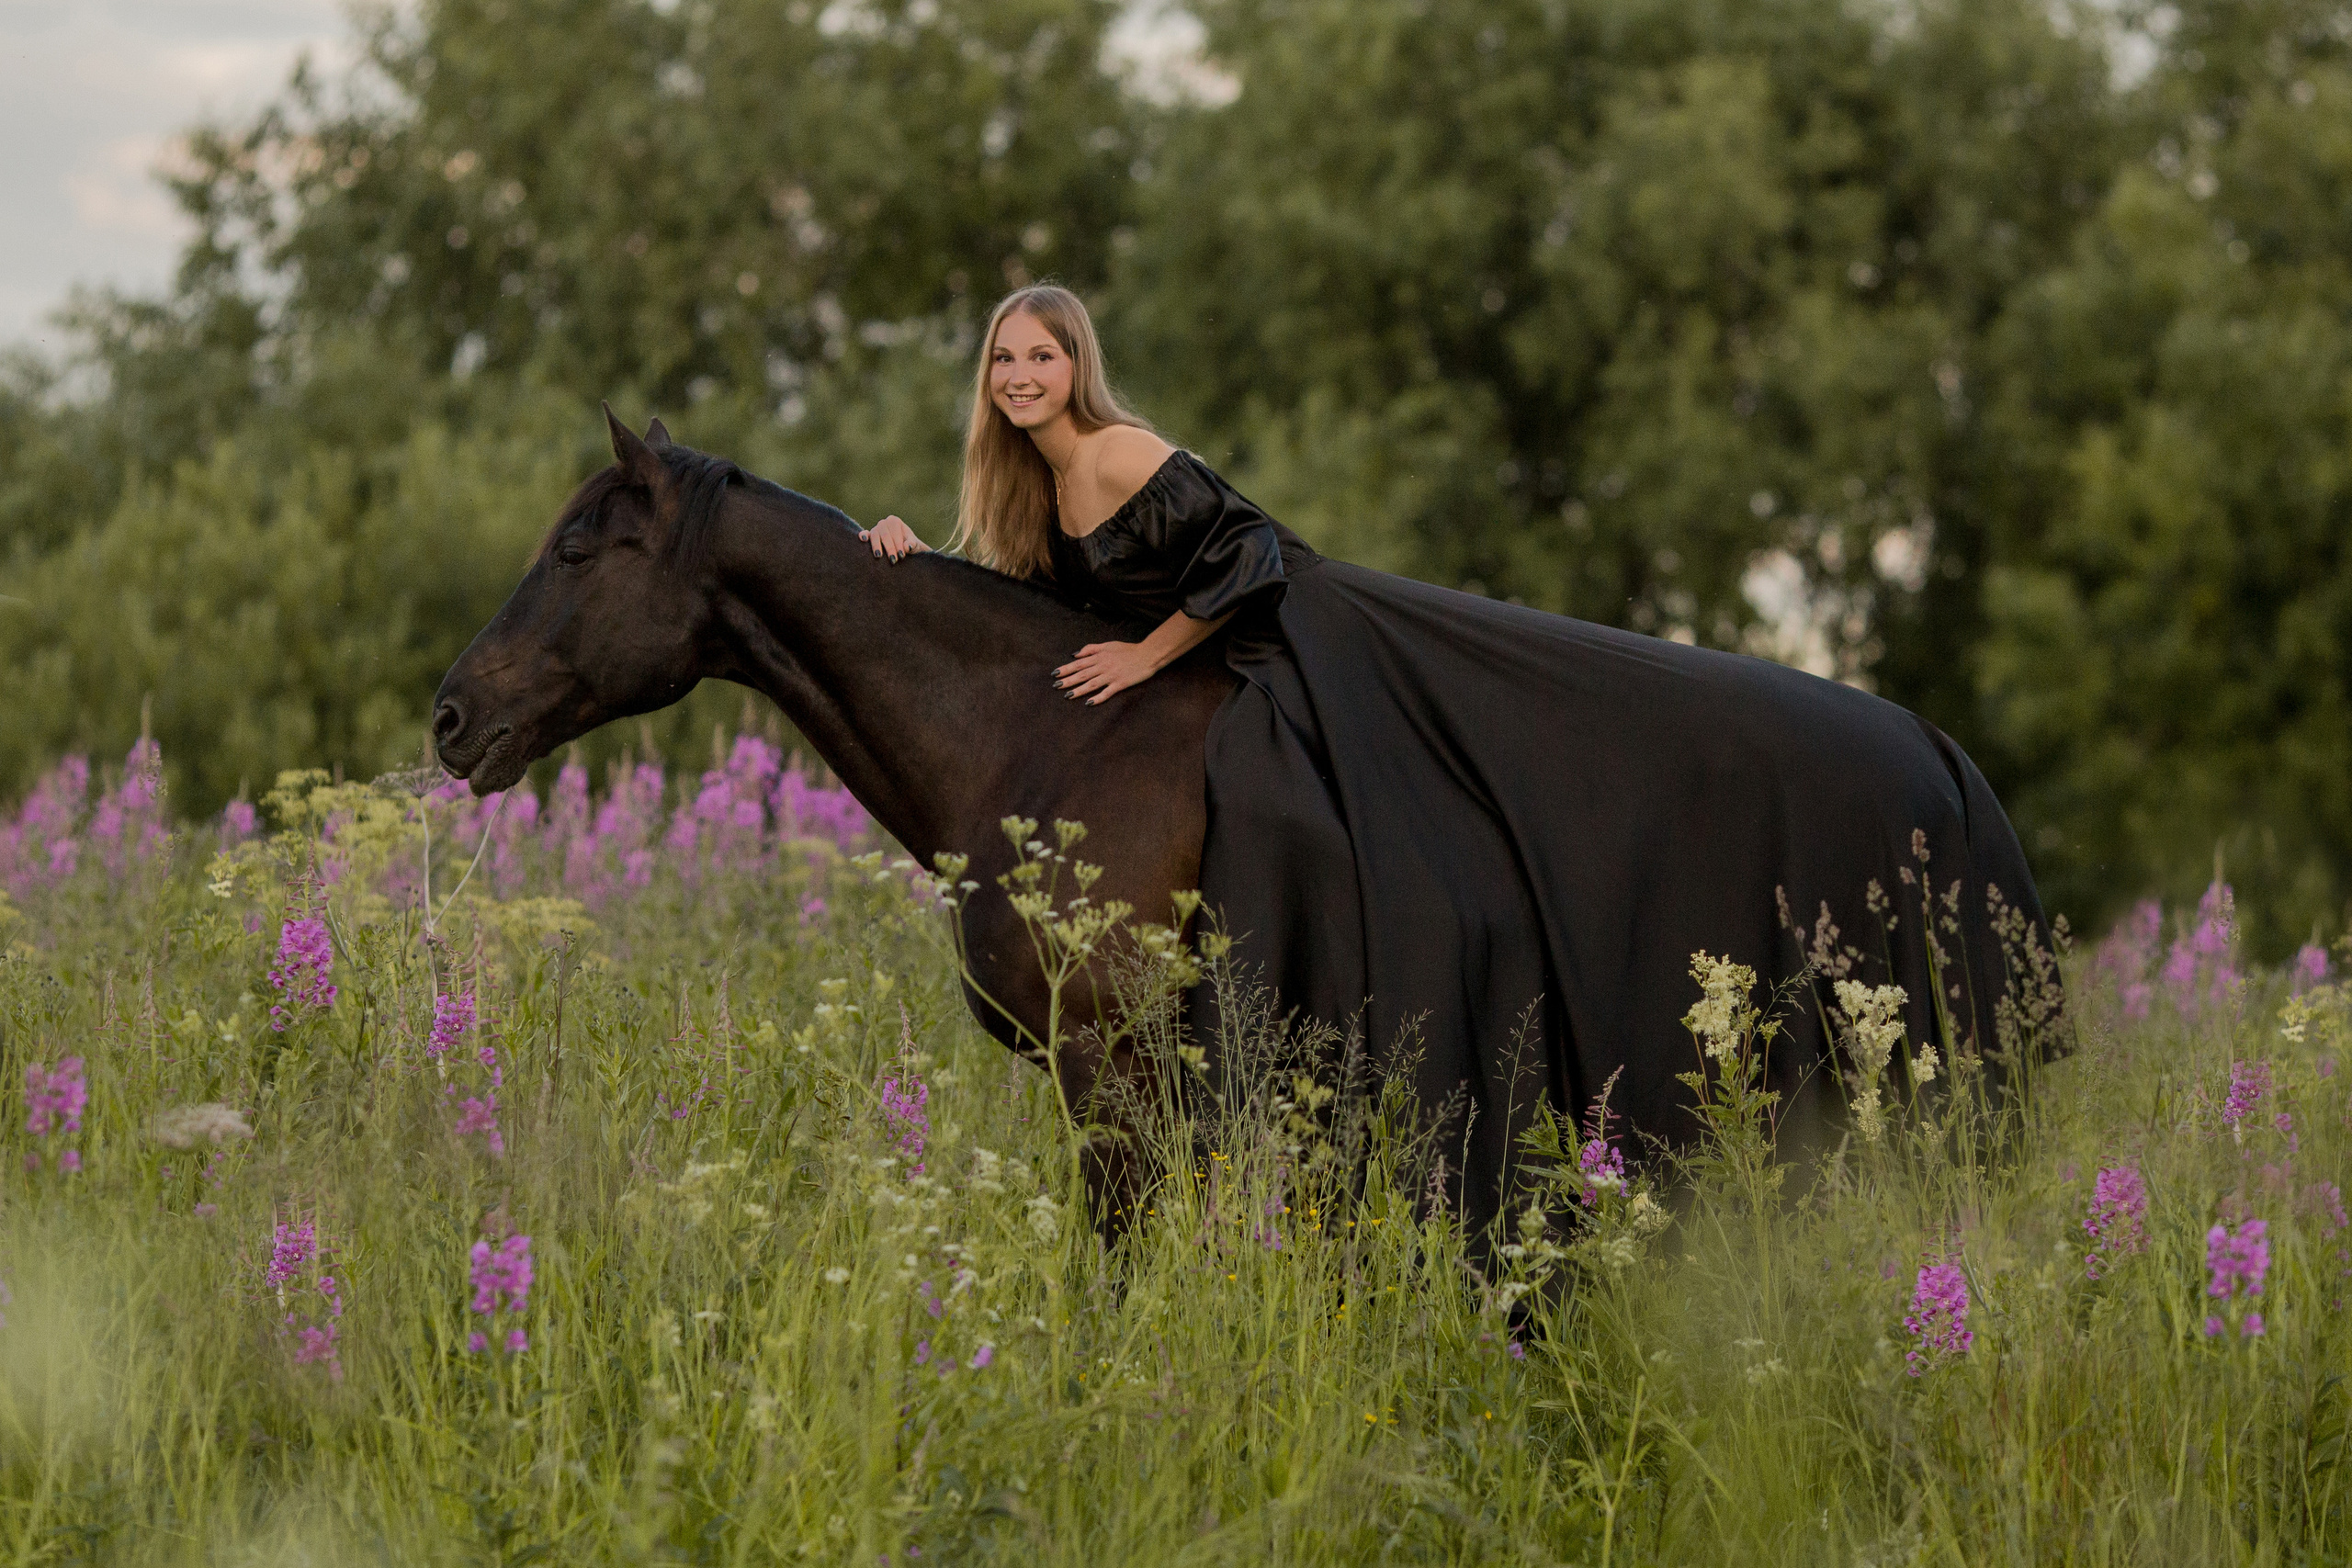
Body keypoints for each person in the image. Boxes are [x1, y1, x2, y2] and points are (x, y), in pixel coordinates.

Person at [860, 283, 2052, 1231]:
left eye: (1042, 357)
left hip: (1303, 636)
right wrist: (905, 551)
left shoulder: (1113, 451)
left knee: (1476, 756)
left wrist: (1144, 657)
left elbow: (1246, 551)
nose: (1023, 377)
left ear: (1077, 367)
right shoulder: (1030, 477)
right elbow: (1018, 611)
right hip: (1236, 672)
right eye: (1005, 361)